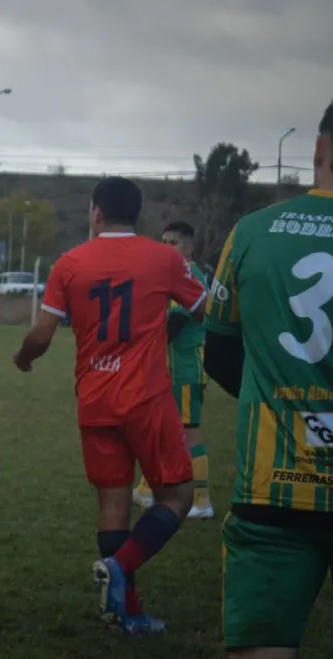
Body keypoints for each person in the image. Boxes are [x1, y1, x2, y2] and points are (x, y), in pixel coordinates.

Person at [12, 176, 207, 636]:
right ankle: (120, 570)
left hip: (95, 400)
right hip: (147, 399)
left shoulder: (70, 262)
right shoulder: (165, 258)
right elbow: (204, 311)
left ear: (96, 213)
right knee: (178, 496)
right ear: (135, 215)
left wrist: (22, 359)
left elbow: (41, 336)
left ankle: (126, 610)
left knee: (113, 503)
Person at [205, 101, 333, 659]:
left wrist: (278, 399)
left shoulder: (252, 231)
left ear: (319, 152)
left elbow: (219, 353)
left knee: (262, 649)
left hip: (275, 481)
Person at [134, 221, 213, 519]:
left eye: (173, 244)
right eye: (163, 242)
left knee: (189, 431)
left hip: (186, 368)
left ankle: (202, 500)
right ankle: (148, 488)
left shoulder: (188, 274)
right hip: (173, 367)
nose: (166, 248)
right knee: (165, 426)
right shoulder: (174, 273)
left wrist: (138, 344)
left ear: (189, 247)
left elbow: (175, 324)